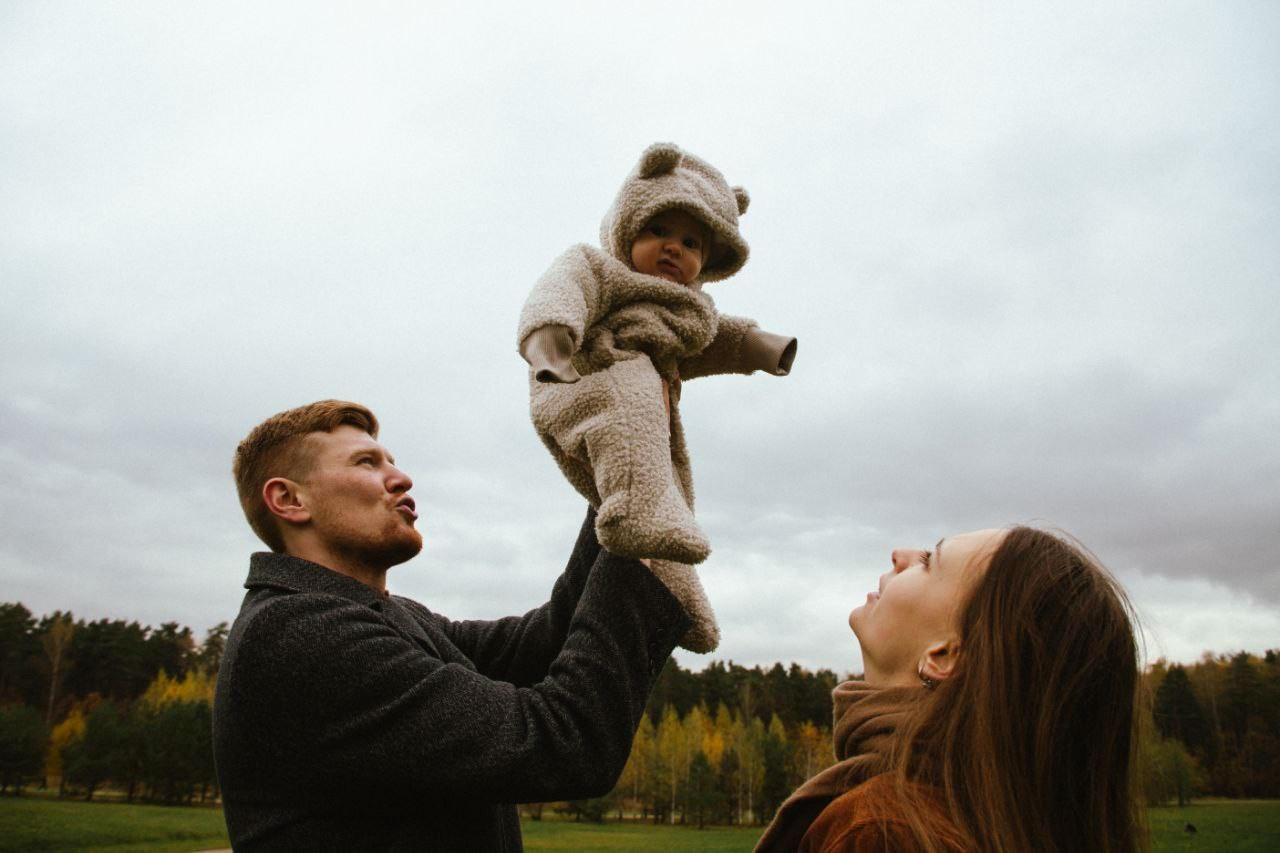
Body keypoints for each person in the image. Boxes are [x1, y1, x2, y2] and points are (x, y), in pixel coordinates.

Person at [213, 400, 692, 851]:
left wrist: (621, 468)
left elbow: (544, 643)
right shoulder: (303, 633)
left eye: (391, 461)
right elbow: (561, 742)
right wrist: (635, 527)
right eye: (366, 463)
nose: (401, 478)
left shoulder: (388, 615)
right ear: (289, 499)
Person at [517, 141, 797, 652]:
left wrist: (759, 347)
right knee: (637, 409)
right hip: (581, 381)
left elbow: (712, 340)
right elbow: (561, 291)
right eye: (658, 230)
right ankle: (636, 517)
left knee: (672, 489)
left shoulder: (682, 310)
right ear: (626, 228)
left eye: (692, 243)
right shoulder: (599, 269)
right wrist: (550, 342)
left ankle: (681, 605)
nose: (674, 248)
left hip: (642, 419)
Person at [755, 527, 1147, 852]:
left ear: (943, 655)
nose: (900, 554)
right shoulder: (1000, 820)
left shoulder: (881, 833)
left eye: (929, 562)